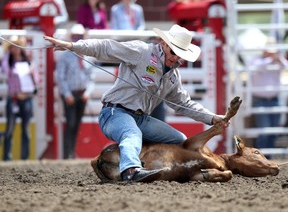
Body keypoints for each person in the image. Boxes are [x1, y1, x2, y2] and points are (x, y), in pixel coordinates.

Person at [44, 24, 228, 182]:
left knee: (178, 139)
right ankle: (131, 171)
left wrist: (211, 118)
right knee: (131, 134)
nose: (175, 58)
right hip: (115, 113)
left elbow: (183, 103)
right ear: (164, 44)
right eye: (173, 52)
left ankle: (153, 163)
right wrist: (73, 46)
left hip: (141, 119)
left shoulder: (173, 75)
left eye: (180, 55)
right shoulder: (141, 52)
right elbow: (107, 47)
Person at [55, 24, 93, 159]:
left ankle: (71, 152)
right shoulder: (65, 56)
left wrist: (88, 92)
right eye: (76, 37)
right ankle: (67, 154)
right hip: (70, 94)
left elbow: (90, 78)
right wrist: (67, 94)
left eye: (80, 37)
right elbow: (60, 77)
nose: (78, 39)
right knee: (70, 123)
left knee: (76, 124)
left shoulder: (88, 56)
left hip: (82, 94)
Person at [1, 36, 37, 161]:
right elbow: (5, 69)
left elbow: (36, 80)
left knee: (26, 129)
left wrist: (32, 74)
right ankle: (6, 157)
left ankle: (25, 158)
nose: (15, 49)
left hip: (26, 98)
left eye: (17, 46)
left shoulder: (28, 62)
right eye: (12, 46)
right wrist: (6, 54)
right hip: (14, 98)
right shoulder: (8, 61)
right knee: (10, 128)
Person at [250, 37, 288, 149]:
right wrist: (272, 59)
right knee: (264, 131)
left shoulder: (278, 61)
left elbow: (286, 66)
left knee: (274, 130)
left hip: (275, 99)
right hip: (260, 100)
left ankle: (268, 157)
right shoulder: (256, 60)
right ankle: (262, 156)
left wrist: (278, 59)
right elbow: (257, 67)